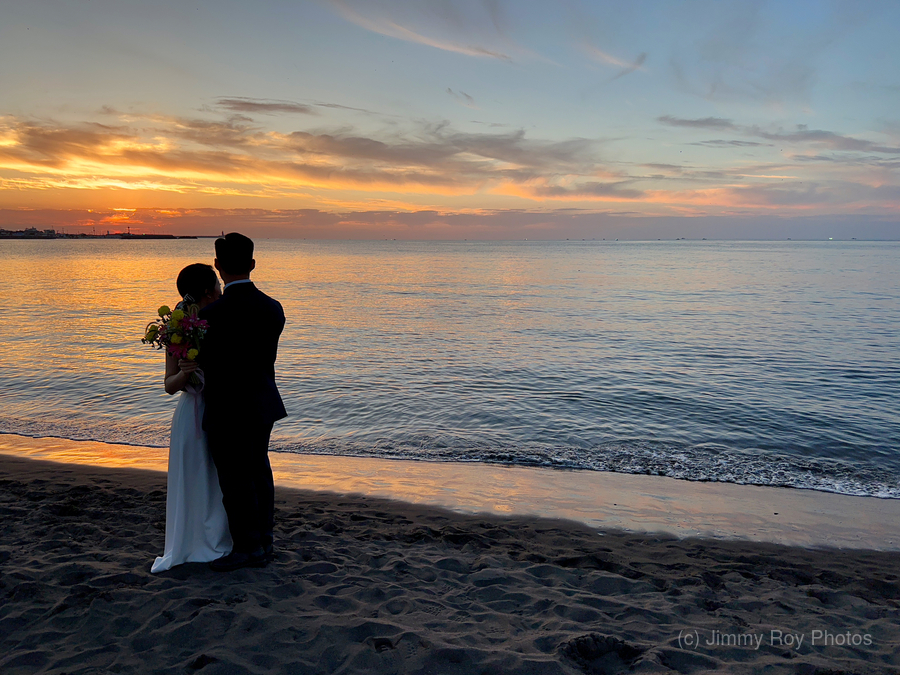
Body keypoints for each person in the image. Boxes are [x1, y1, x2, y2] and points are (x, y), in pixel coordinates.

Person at [199, 232, 288, 572]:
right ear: (252, 264)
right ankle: (265, 539)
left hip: (226, 404)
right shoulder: (272, 308)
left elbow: (205, 363)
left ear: (218, 266)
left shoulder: (211, 316)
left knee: (234, 479)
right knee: (259, 470)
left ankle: (247, 546)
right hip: (262, 400)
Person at [151, 263, 232, 573]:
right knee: (193, 477)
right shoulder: (179, 328)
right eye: (217, 284)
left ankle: (217, 537)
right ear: (208, 290)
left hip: (217, 407)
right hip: (191, 413)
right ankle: (191, 542)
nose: (221, 288)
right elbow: (168, 385)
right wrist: (185, 375)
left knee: (214, 479)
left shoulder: (214, 321)